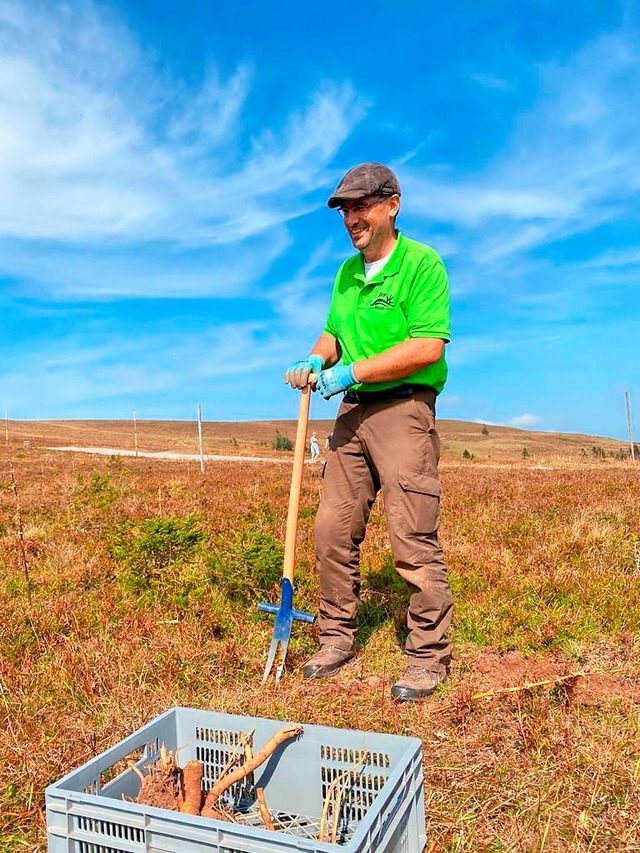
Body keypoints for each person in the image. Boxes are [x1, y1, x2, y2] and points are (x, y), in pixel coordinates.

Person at [284, 162, 453, 702]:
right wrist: (317, 357)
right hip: (351, 413)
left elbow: (427, 346)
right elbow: (335, 330)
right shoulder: (345, 274)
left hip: (404, 408)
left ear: (392, 204)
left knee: (411, 536)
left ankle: (427, 655)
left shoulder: (422, 265)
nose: (351, 218)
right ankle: (336, 638)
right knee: (331, 529)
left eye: (361, 206)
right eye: (345, 210)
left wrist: (353, 370)